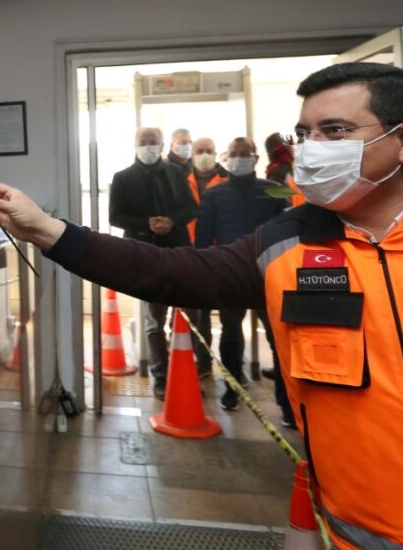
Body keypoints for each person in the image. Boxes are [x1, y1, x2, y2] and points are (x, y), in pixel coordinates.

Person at [0, 63, 403, 550]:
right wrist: (48, 229)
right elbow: (169, 272)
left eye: (336, 131)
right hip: (371, 545)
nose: (313, 149)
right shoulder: (286, 244)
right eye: (305, 133)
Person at [195, 137, 289, 418]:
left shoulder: (275, 189)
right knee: (230, 334)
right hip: (231, 274)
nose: (238, 159)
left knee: (278, 339)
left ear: (256, 158)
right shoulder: (214, 194)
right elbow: (202, 238)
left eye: (244, 154)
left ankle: (286, 403)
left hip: (268, 275)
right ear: (226, 159)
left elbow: (288, 228)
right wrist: (203, 271)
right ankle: (232, 389)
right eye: (233, 155)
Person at [108, 127, 202, 399]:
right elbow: (115, 217)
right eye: (143, 142)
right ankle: (160, 378)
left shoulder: (177, 173)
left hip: (179, 251)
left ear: (162, 145)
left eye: (153, 142)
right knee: (153, 320)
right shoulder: (123, 178)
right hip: (143, 252)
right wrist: (146, 225)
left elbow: (191, 208)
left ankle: (185, 371)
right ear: (135, 145)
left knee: (187, 315)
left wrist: (172, 221)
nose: (148, 146)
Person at [183, 137, 226, 379]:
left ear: (216, 153)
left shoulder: (226, 179)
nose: (205, 155)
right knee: (190, 311)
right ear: (192, 155)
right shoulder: (181, 180)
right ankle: (187, 357)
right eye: (200, 151)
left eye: (209, 150)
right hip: (186, 252)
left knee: (206, 313)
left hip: (215, 254)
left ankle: (205, 361)